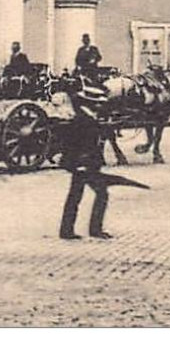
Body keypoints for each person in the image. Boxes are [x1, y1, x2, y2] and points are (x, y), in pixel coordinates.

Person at [58, 78, 113, 240]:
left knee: (75, 194)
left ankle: (67, 230)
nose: (100, 105)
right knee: (101, 194)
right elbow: (73, 143)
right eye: (98, 103)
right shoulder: (83, 120)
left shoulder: (85, 117)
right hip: (84, 163)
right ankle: (94, 229)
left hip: (86, 163)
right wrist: (80, 163)